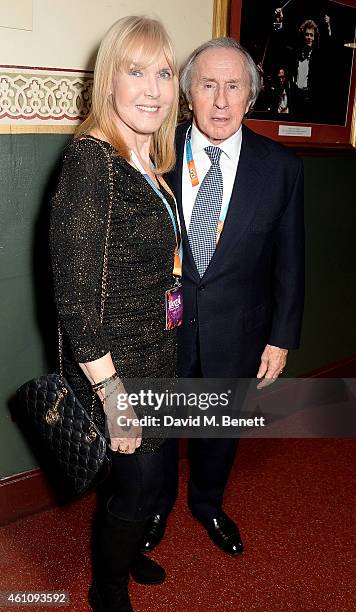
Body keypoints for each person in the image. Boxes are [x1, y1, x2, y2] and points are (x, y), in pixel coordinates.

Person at [141, 37, 304, 557]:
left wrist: (281, 338)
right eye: (208, 85)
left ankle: (208, 504)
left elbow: (291, 261)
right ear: (188, 92)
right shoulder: (151, 154)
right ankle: (158, 503)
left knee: (219, 431)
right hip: (162, 329)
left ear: (250, 97)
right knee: (160, 430)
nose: (220, 101)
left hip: (238, 330)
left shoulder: (281, 169)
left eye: (233, 86)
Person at [50, 15, 179, 612]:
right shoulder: (90, 161)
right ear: (110, 82)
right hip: (114, 370)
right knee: (136, 487)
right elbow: (74, 298)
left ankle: (121, 554)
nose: (153, 88)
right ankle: (107, 588)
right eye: (136, 71)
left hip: (154, 354)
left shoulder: (145, 159)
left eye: (164, 72)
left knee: (142, 484)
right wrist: (113, 394)